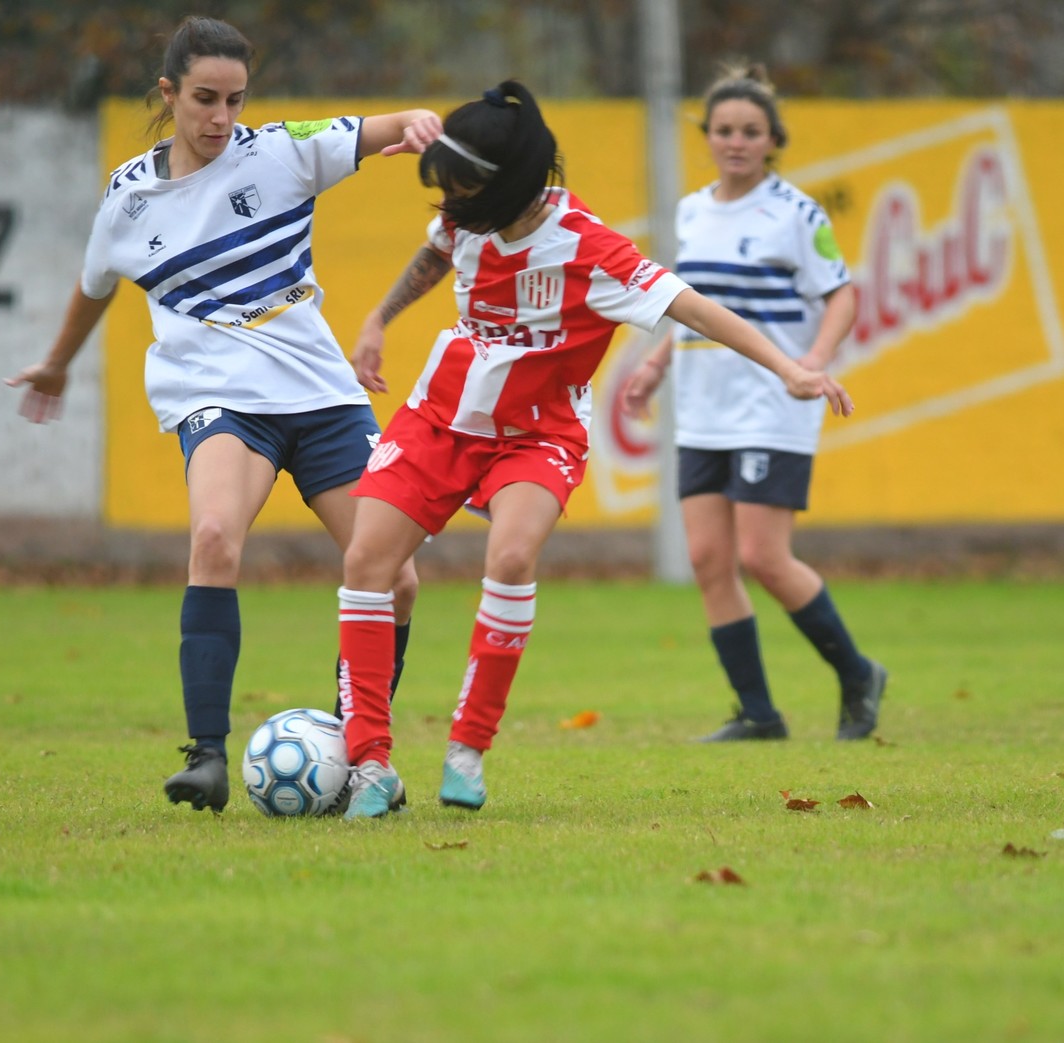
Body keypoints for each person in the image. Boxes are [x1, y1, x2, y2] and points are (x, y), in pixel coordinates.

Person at [335, 79, 852, 818]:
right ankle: (369, 763)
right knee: (366, 562)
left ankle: (467, 748)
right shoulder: (468, 213)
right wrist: (378, 320)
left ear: (507, 186)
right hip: (441, 417)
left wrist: (791, 368)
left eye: (461, 193)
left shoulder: (589, 248)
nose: (448, 208)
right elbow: (436, 252)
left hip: (537, 434)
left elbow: (697, 309)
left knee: (511, 557)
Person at [4, 15, 430, 814]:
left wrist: (421, 126)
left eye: (235, 99)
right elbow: (94, 287)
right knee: (212, 537)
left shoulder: (281, 152)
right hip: (219, 396)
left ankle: (356, 748)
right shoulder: (129, 198)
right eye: (205, 98)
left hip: (323, 397)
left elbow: (395, 124)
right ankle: (205, 755)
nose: (221, 117)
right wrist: (57, 364)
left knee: (397, 578)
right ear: (169, 93)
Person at [619, 63, 887, 744]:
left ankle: (858, 674)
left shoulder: (796, 213)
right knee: (709, 559)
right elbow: (696, 306)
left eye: (750, 131)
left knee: (764, 557)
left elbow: (842, 294)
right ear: (707, 135)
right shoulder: (691, 210)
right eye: (724, 130)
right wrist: (655, 363)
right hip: (702, 407)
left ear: (773, 140)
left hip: (772, 404)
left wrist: (811, 363)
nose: (735, 142)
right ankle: (758, 713)